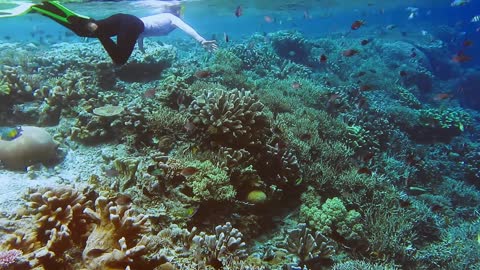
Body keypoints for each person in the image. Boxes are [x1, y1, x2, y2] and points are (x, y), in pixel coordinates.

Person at [0, 1, 217, 65]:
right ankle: (95, 28)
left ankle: (45, 8)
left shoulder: (159, 18)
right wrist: (201, 41)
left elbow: (140, 34)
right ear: (176, 10)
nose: (181, 13)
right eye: (181, 10)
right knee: (120, 60)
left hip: (125, 20)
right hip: (131, 24)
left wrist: (140, 49)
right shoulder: (172, 18)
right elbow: (186, 28)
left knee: (81, 33)